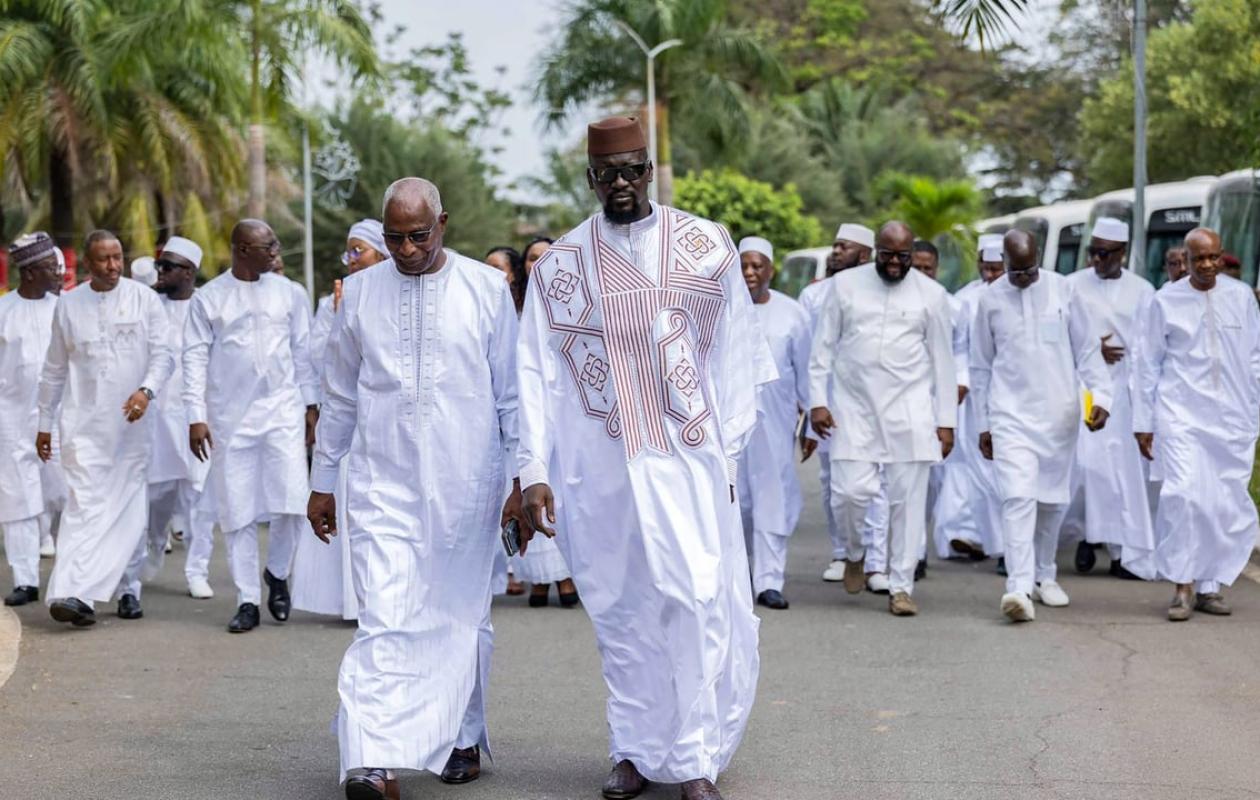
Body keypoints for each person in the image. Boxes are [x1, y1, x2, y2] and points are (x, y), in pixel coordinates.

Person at [517, 116, 771, 800]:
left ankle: (695, 759)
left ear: (650, 169)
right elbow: (534, 373)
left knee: (695, 602)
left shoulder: (705, 244)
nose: (621, 183)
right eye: (608, 174)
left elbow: (738, 357)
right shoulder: (561, 265)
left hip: (688, 462)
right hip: (599, 470)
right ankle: (632, 749)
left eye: (633, 170)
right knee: (621, 611)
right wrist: (532, 470)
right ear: (590, 179)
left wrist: (725, 455)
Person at [308, 177, 524, 799]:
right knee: (382, 617)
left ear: (443, 224)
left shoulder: (486, 290)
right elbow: (339, 396)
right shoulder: (359, 294)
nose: (405, 250)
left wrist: (521, 478)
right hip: (382, 482)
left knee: (459, 618)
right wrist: (323, 481)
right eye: (395, 237)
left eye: (418, 236)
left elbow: (512, 396)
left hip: (467, 483)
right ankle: (371, 759)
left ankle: (462, 734)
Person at [809, 222, 956, 617]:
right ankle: (855, 553)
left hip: (910, 411)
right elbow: (822, 348)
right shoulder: (845, 286)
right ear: (875, 250)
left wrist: (946, 421)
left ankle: (901, 586)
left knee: (907, 505)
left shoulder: (932, 295)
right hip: (853, 409)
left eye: (902, 257)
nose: (894, 263)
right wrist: (818, 402)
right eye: (887, 255)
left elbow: (944, 362)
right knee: (849, 494)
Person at [183, 219, 319, 633]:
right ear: (243, 250)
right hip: (230, 418)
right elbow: (194, 357)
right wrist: (196, 416)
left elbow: (303, 351)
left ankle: (277, 572)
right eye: (269, 246)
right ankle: (247, 599)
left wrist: (311, 405)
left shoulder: (290, 293)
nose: (276, 252)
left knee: (292, 502)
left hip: (282, 412)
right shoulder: (209, 298)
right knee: (237, 510)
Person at [970, 229, 1112, 623]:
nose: (1023, 278)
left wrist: (1102, 398)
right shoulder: (990, 299)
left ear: (1039, 260)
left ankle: (1045, 574)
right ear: (1004, 263)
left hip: (1058, 415)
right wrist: (983, 423)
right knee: (1017, 497)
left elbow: (1088, 351)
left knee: (1051, 502)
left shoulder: (1064, 291)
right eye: (1015, 271)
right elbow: (980, 366)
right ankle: (1018, 587)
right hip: (1009, 414)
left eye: (1029, 270)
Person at [37, 230, 172, 625]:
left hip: (131, 427)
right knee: (82, 509)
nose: (113, 266)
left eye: (117, 257)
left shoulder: (144, 299)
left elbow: (164, 356)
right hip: (82, 426)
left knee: (127, 512)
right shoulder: (68, 304)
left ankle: (127, 588)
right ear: (88, 262)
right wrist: (44, 421)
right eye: (103, 259)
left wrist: (146, 390)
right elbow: (54, 369)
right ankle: (73, 594)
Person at [1134, 227, 1260, 621]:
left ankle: (1210, 586)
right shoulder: (1165, 301)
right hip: (1181, 414)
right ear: (1184, 261)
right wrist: (1143, 421)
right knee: (1184, 495)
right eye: (1198, 258)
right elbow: (1146, 364)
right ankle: (1182, 585)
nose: (1207, 265)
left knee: (1222, 502)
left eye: (1213, 257)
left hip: (1232, 417)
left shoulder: (1241, 297)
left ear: (1222, 256)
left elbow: (1255, 358)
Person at [291, 220, 389, 621]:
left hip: (385, 423)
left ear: (381, 254)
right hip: (345, 421)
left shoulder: (395, 295)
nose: (351, 259)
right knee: (347, 506)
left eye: (358, 250)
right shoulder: (330, 302)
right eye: (348, 251)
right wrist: (336, 316)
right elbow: (319, 361)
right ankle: (351, 601)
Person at [118, 237, 217, 603]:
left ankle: (197, 571)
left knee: (198, 499)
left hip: (197, 417)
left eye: (167, 267)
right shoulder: (150, 306)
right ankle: (155, 546)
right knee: (156, 499)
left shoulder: (207, 305)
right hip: (157, 421)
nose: (159, 272)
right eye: (160, 265)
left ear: (189, 272)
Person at [1066, 218, 1156, 581]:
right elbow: (1061, 333)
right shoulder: (1072, 285)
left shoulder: (1143, 290)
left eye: (1105, 253)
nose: (1097, 260)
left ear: (1123, 253)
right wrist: (1092, 349)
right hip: (1085, 387)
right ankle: (1087, 537)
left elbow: (1150, 343)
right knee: (1087, 467)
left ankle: (1121, 552)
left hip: (1125, 389)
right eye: (1093, 252)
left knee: (1122, 474)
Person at [735, 235, 811, 610]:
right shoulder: (720, 309)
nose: (750, 273)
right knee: (737, 500)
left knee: (773, 497)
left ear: (771, 270)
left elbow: (807, 370)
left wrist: (811, 418)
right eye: (743, 266)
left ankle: (769, 580)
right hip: (731, 422)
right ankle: (741, 573)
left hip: (777, 422)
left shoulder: (792, 313)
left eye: (757, 266)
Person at [798, 223, 874, 582]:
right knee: (833, 482)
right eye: (836, 245)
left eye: (845, 246)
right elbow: (804, 353)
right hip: (826, 403)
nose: (836, 251)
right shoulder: (813, 295)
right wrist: (808, 405)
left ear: (865, 255)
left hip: (870, 401)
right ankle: (842, 553)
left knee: (875, 484)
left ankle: (876, 559)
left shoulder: (879, 291)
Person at [934, 236, 1005, 567]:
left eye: (997, 269)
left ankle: (1004, 542)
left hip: (1009, 394)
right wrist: (961, 381)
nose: (990, 275)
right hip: (971, 396)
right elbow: (958, 346)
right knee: (964, 463)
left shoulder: (1024, 297)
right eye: (985, 268)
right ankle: (963, 532)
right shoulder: (964, 298)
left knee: (1000, 468)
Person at [1, 234, 62, 606]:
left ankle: (71, 577)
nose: (58, 272)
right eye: (50, 267)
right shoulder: (3, 312)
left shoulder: (64, 309)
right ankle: (25, 580)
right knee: (17, 500)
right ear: (29, 273)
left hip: (60, 421)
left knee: (65, 494)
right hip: (11, 421)